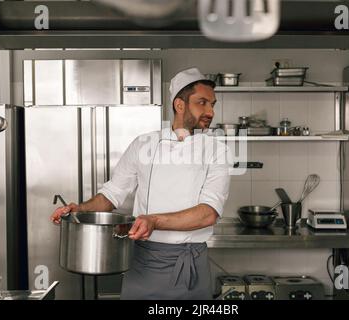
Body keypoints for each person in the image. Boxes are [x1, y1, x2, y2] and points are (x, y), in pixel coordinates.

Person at [51, 67, 232, 299]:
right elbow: (112, 194)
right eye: (202, 102)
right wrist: (80, 209)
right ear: (180, 105)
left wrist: (153, 221)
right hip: (144, 261)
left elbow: (208, 214)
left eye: (212, 104)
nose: (210, 111)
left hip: (189, 264)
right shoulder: (144, 144)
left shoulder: (218, 151)